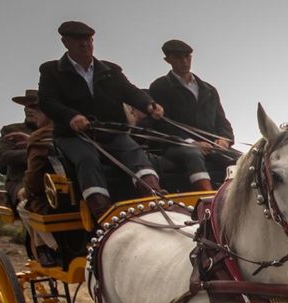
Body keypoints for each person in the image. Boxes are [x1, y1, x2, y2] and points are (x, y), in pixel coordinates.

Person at [37, 20, 182, 219]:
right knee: (86, 160)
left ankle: (153, 195)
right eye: (78, 40)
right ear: (65, 42)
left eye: (88, 40)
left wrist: (149, 105)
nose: (85, 44)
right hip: (74, 136)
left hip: (111, 133)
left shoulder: (110, 70)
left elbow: (130, 92)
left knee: (134, 151)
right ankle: (101, 211)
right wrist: (71, 116)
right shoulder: (51, 71)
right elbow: (48, 102)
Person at [148, 39, 235, 187]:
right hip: (175, 146)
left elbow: (222, 122)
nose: (184, 62)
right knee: (193, 155)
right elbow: (163, 125)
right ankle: (207, 198)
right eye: (178, 57)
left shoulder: (209, 90)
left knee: (241, 160)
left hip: (212, 146)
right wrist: (192, 143)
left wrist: (224, 139)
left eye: (187, 57)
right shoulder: (160, 87)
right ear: (167, 60)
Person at [0, 90, 43, 211]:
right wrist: (35, 152)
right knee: (27, 199)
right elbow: (2, 156)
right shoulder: (10, 130)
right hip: (19, 181)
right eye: (26, 106)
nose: (28, 109)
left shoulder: (52, 131)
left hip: (49, 181)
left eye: (33, 106)